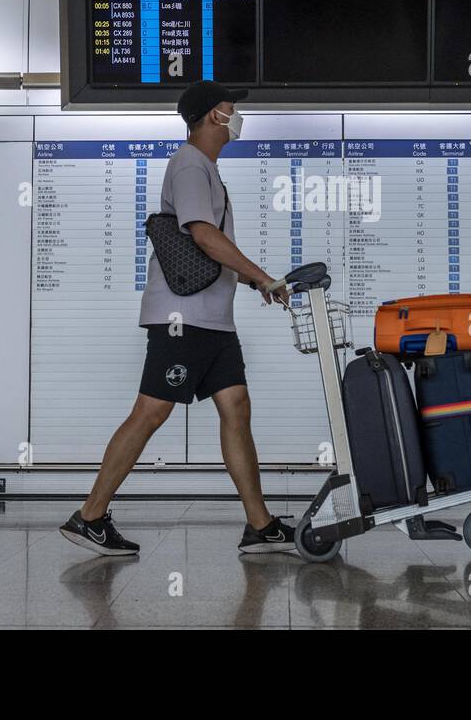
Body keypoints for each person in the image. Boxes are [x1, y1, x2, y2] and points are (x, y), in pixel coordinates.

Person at [60, 81, 297, 556]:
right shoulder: (190, 165)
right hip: (182, 319)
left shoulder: (205, 168)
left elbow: (210, 244)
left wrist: (251, 282)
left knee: (236, 407)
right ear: (213, 115)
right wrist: (263, 276)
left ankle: (260, 524)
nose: (236, 115)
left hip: (213, 321)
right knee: (152, 411)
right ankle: (89, 516)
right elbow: (204, 236)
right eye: (231, 108)